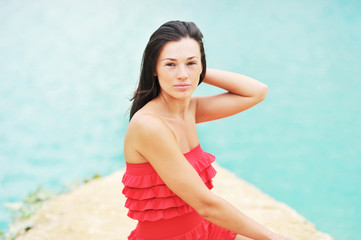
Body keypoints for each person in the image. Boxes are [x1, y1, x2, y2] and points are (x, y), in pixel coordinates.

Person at [122, 20, 290, 240]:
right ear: (154, 68)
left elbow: (256, 92)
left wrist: (199, 70)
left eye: (191, 63)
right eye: (170, 64)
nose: (182, 74)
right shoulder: (149, 125)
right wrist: (274, 237)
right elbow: (206, 204)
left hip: (207, 229)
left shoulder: (190, 109)